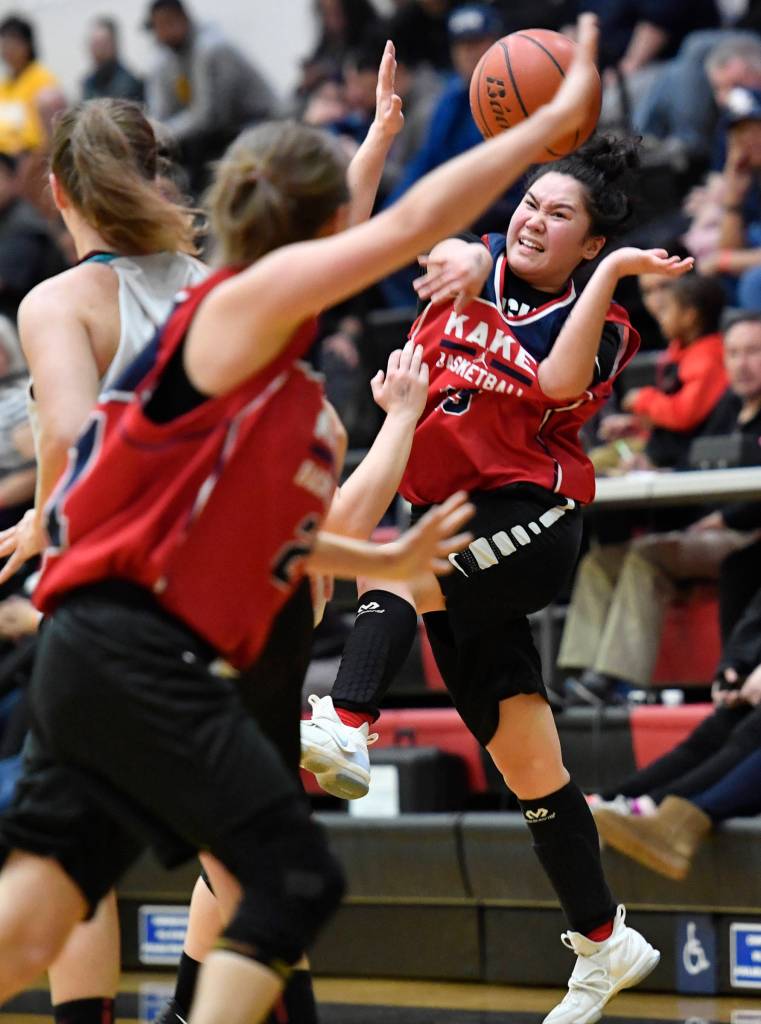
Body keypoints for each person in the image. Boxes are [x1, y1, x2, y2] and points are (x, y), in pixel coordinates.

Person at [0, 17, 604, 1024]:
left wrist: (368, 552)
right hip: (142, 643)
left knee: (40, 919)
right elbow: (408, 223)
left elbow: (239, 523)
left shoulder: (269, 362)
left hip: (114, 642)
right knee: (284, 877)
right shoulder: (232, 305)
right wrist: (537, 131)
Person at [301, 122, 696, 1019]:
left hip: (529, 517)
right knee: (528, 763)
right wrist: (444, 233)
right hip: (449, 514)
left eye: (558, 216)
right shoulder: (471, 262)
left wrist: (612, 273)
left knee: (400, 567)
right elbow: (412, 241)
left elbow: (554, 382)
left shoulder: (603, 325)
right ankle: (604, 940)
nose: (532, 221)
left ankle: (348, 719)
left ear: (588, 243)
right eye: (528, 203)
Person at [0, 97, 208, 1024]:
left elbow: (70, 436)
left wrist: (48, 520)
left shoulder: (56, 301)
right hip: (224, 592)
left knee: (68, 853)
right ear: (154, 174)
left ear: (56, 190)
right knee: (242, 851)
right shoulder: (211, 284)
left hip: (115, 593)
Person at [144, 0, 277, 193]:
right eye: (156, 27)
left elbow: (208, 117)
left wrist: (164, 133)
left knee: (197, 159)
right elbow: (163, 112)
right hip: (220, 135)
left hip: (257, 125)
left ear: (181, 20)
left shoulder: (211, 49)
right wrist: (156, 134)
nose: (160, 34)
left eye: (165, 25)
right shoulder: (166, 58)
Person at [0, 152, 67, 324]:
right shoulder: (6, 217)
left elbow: (5, 281)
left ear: (13, 180)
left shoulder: (24, 223)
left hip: (37, 320)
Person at [0, 15, 63, 157]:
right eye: (4, 44)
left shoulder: (43, 79)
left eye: (12, 43)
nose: (7, 50)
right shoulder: (3, 85)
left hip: (33, 156)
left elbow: (47, 136)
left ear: (27, 45)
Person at [82, 17, 144, 103]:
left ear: (115, 45)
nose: (98, 50)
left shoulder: (131, 84)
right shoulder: (88, 84)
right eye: (95, 44)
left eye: (103, 44)